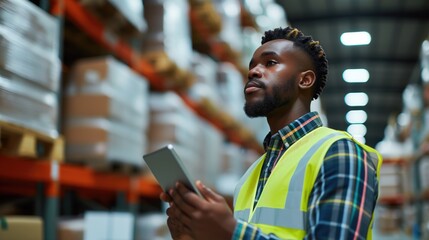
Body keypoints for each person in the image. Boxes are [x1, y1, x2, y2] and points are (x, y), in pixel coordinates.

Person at [160, 26, 383, 240]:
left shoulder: (339, 153)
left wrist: (230, 232)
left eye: (270, 63)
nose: (253, 71)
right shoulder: (251, 175)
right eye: (252, 65)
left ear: (304, 80)